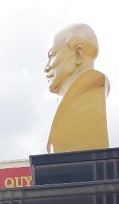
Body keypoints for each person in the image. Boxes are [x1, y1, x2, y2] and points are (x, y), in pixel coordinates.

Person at [45, 23, 109, 153]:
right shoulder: (70, 100)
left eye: (52, 55)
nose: (46, 67)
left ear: (78, 55)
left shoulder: (89, 94)